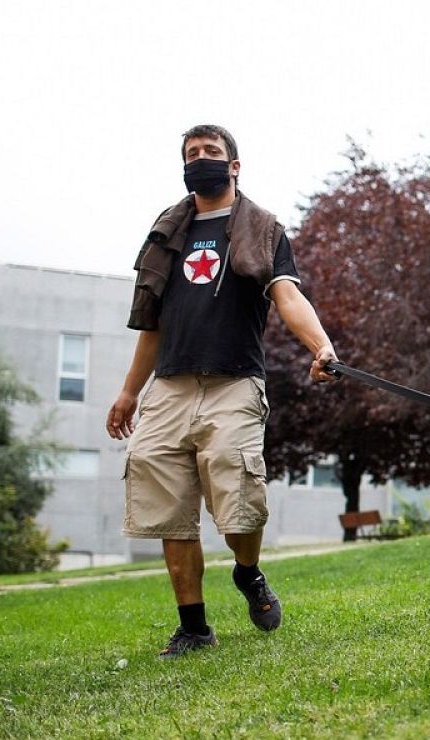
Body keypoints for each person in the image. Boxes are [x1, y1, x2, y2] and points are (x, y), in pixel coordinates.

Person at [106, 124, 337, 658]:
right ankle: (193, 626)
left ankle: (248, 572)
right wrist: (127, 393)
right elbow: (153, 324)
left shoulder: (261, 229)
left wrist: (320, 346)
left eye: (212, 152)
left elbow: (286, 296)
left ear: (234, 166)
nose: (200, 159)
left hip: (234, 382)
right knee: (167, 506)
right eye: (192, 154)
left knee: (240, 503)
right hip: (170, 385)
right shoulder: (169, 233)